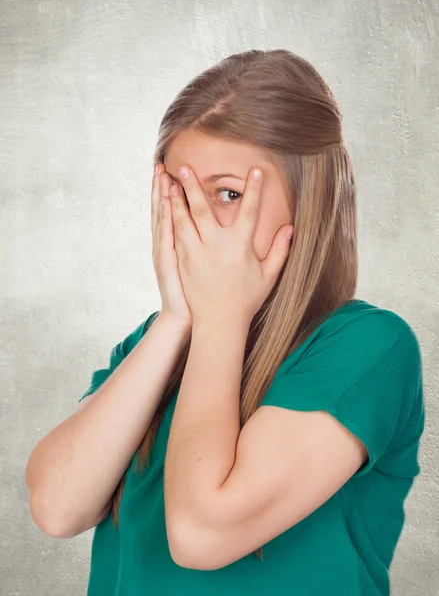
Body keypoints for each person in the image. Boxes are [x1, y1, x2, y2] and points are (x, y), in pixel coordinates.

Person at [25, 49, 424, 596]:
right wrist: (174, 321)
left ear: (308, 206)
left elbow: (200, 535)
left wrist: (218, 319)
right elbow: (56, 507)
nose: (199, 220)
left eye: (229, 193)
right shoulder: (155, 345)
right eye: (180, 195)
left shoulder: (367, 346)